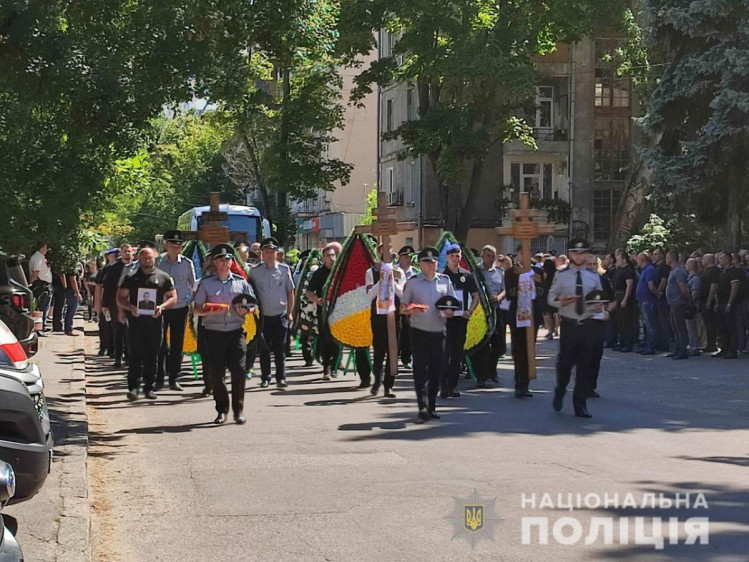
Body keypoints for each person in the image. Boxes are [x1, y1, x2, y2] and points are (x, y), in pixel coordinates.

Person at [194, 244, 255, 424]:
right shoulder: (206, 283)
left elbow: (252, 305)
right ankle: (222, 410)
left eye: (227, 259)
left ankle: (238, 411)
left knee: (239, 372)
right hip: (214, 334)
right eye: (220, 259)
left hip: (236, 333)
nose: (224, 262)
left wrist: (247, 310)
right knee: (217, 375)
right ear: (214, 262)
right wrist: (209, 312)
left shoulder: (241, 282)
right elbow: (197, 308)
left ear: (231, 262)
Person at [547, 238, 603, 418]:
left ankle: (580, 405)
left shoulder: (593, 277)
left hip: (587, 324)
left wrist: (598, 306)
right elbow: (550, 298)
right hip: (570, 324)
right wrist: (561, 301)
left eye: (582, 252)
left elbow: (599, 299)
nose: (579, 256)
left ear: (586, 254)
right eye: (575, 253)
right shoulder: (561, 275)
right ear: (571, 255)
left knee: (585, 366)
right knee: (565, 364)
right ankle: (560, 388)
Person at [400, 247, 457, 422]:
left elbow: (453, 304)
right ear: (421, 264)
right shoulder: (413, 282)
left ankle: (432, 405)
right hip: (419, 332)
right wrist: (411, 310)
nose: (431, 264)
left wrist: (449, 311)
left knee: (435, 371)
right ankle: (422, 406)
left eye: (433, 261)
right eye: (427, 261)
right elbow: (403, 307)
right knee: (420, 371)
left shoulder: (445, 281)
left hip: (439, 332)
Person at [117, 246, 177, 401]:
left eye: (149, 257)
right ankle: (133, 387)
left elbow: (173, 297)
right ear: (139, 258)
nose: (146, 260)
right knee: (135, 356)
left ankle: (149, 387)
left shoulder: (163, 276)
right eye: (143, 257)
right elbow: (120, 298)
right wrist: (130, 308)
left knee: (153, 355)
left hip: (155, 322)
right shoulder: (130, 277)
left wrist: (162, 307)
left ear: (154, 258)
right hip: (136, 321)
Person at [249, 237, 295, 389]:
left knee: (280, 348)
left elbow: (290, 292)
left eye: (272, 251)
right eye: (266, 252)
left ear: (277, 253)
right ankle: (265, 377)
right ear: (261, 253)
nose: (269, 254)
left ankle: (280, 378)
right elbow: (249, 293)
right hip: (263, 316)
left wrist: (290, 313)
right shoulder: (254, 272)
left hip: (280, 314)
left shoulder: (284, 270)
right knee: (264, 348)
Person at [156, 230, 197, 391]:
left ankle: (174, 378)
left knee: (177, 344)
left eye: (179, 245)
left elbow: (193, 285)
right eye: (173, 244)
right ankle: (159, 379)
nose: (176, 247)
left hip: (180, 308)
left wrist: (191, 302)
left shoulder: (187, 263)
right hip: (162, 308)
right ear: (166, 245)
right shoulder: (157, 262)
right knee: (160, 344)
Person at [503, 244, 544, 398]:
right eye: (522, 253)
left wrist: (532, 282)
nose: (525, 257)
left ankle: (525, 383)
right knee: (517, 349)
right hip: (517, 315)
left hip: (532, 315)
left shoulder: (538, 272)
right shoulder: (510, 272)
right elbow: (510, 293)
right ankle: (518, 382)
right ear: (517, 255)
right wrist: (523, 283)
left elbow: (542, 292)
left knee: (529, 348)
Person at [440, 243, 479, 399]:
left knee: (457, 355)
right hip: (446, 321)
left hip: (461, 320)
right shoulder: (442, 275)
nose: (456, 258)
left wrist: (469, 311)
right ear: (447, 257)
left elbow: (476, 296)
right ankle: (443, 386)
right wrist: (443, 311)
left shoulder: (467, 275)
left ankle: (453, 386)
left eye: (458, 255)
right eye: (453, 256)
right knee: (445, 354)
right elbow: (437, 298)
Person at [366, 245, 405, 397]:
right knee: (379, 350)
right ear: (379, 253)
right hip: (378, 315)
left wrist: (392, 281)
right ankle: (377, 380)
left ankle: (389, 384)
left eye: (390, 249)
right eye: (384, 250)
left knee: (393, 350)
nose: (388, 252)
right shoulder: (371, 272)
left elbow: (403, 294)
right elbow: (369, 295)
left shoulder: (399, 271)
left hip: (394, 314)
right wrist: (382, 278)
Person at [474, 245, 506, 388]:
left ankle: (492, 371)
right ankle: (481, 375)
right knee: (482, 346)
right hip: (481, 313)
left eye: (493, 256)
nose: (491, 259)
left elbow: (504, 289)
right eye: (488, 256)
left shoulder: (499, 272)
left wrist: (499, 297)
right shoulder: (476, 272)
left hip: (496, 310)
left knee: (498, 345)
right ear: (482, 256)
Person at [306, 244, 340, 378]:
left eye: (333, 255)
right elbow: (309, 292)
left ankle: (334, 366)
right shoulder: (319, 273)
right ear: (323, 258)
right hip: (324, 311)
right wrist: (317, 299)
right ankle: (327, 368)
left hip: (338, 309)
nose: (331, 258)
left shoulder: (339, 272)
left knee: (337, 339)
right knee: (326, 339)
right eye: (328, 256)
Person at [102, 244, 135, 367]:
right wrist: (105, 305)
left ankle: (129, 356)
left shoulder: (136, 267)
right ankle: (118, 357)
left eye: (129, 251)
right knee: (118, 330)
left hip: (132, 303)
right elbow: (108, 287)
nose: (127, 253)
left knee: (131, 331)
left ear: (132, 253)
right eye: (125, 251)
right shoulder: (114, 268)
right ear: (121, 253)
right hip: (116, 303)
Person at [715, 251, 743, 359]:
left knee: (731, 326)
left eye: (721, 258)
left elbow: (734, 287)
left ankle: (733, 350)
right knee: (722, 327)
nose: (719, 260)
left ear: (727, 259)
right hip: (721, 301)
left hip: (730, 303)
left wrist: (730, 303)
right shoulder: (722, 272)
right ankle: (724, 348)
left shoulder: (734, 271)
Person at [395, 246, 418, 369]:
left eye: (410, 257)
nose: (408, 259)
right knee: (398, 333)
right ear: (400, 257)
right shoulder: (395, 271)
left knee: (409, 333)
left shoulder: (415, 273)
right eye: (405, 257)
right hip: (396, 305)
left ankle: (407, 358)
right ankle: (394, 356)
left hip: (410, 307)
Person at [635, 252, 660, 356]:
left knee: (651, 324)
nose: (637, 261)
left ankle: (651, 346)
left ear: (642, 260)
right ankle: (647, 345)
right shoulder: (644, 270)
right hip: (643, 300)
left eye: (638, 259)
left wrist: (657, 294)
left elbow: (651, 285)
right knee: (646, 324)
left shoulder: (650, 269)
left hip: (648, 300)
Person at [613, 251, 637, 352]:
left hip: (624, 295)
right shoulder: (619, 270)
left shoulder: (629, 270)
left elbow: (629, 286)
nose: (617, 261)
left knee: (626, 322)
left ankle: (628, 344)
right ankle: (622, 342)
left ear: (624, 260)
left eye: (618, 259)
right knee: (620, 322)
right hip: (617, 295)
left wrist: (625, 299)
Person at [28, 241, 53, 332]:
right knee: (40, 308)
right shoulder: (37, 257)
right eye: (45, 247)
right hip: (40, 284)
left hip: (44, 285)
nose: (46, 250)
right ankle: (38, 329)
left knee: (44, 308)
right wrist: (30, 285)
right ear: (42, 248)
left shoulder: (40, 257)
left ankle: (42, 326)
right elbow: (35, 273)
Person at [701, 253, 721, 353]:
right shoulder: (706, 271)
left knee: (711, 323)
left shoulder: (713, 271)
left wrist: (709, 300)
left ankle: (712, 344)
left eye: (704, 259)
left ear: (709, 260)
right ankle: (709, 343)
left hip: (709, 301)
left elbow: (714, 286)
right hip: (704, 300)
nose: (702, 261)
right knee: (707, 323)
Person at [685, 258, 702, 356]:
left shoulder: (696, 278)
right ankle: (691, 344)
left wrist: (690, 303)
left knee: (692, 327)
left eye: (687, 264)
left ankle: (695, 347)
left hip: (692, 305)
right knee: (689, 327)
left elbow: (695, 292)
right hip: (689, 304)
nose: (686, 266)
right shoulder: (689, 277)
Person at [64, 261, 83, 336]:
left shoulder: (70, 268)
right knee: (71, 310)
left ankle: (68, 328)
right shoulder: (72, 269)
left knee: (71, 310)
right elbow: (73, 281)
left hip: (71, 291)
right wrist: (77, 293)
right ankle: (69, 329)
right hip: (72, 292)